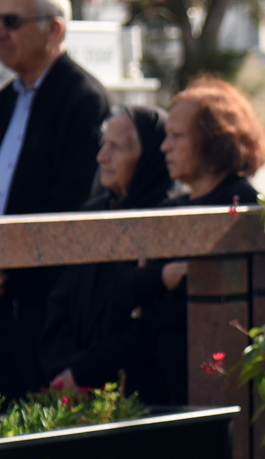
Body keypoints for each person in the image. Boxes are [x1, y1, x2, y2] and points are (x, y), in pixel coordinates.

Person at [0, 0, 110, 402]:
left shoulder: (83, 100)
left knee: (48, 438)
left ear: (54, 29)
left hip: (46, 314)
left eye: (12, 21)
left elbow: (70, 206)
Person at [122, 78, 265, 404]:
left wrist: (147, 299)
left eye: (177, 136)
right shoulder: (170, 208)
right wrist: (162, 278)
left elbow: (185, 303)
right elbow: (121, 289)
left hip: (218, 391)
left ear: (215, 140)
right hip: (161, 389)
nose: (164, 147)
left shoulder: (242, 205)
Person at [40, 105, 174, 401]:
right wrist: (65, 372)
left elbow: (146, 329)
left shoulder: (165, 219)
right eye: (104, 144)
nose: (102, 157)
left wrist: (85, 372)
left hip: (134, 393)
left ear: (150, 154)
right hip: (74, 385)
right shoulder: (93, 213)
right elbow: (61, 301)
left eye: (117, 147)